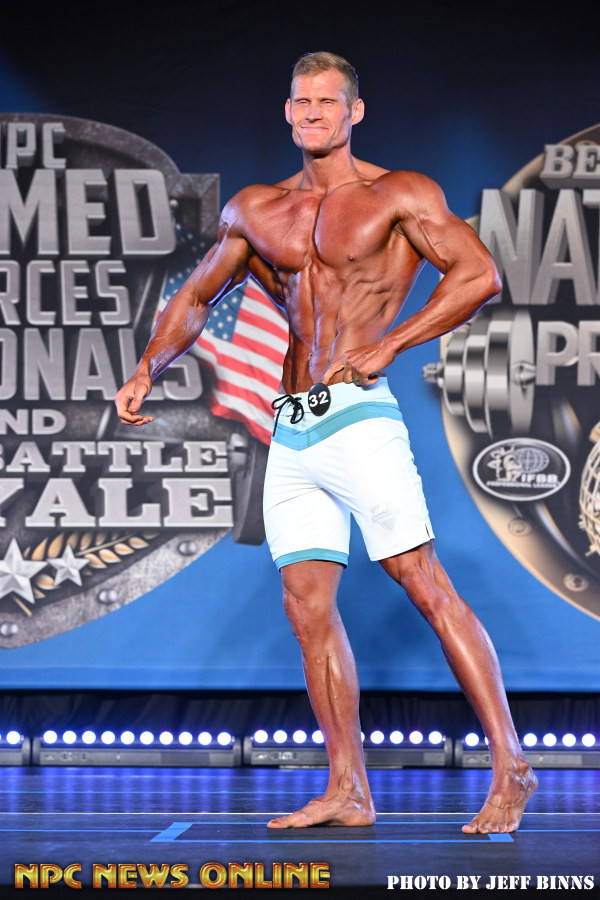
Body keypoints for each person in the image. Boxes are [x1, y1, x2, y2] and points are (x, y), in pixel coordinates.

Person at [115, 51, 537, 834]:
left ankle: (511, 764)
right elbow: (198, 295)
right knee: (306, 608)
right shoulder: (256, 209)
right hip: (293, 426)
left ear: (354, 112)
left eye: (327, 102)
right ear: (288, 113)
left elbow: (478, 276)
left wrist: (391, 343)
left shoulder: (398, 194)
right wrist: (147, 367)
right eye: (302, 103)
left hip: (359, 416)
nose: (313, 114)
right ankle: (349, 788)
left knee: (423, 583)